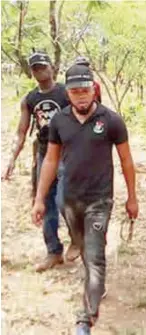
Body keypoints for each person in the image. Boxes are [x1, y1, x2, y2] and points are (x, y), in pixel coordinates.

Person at [31, 64, 138, 334]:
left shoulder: (111, 120)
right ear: (67, 93)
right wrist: (40, 199)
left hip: (100, 199)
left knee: (94, 254)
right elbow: (51, 161)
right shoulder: (59, 122)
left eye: (85, 90)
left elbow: (126, 161)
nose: (81, 96)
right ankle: (94, 281)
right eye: (75, 91)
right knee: (81, 244)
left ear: (94, 90)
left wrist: (132, 197)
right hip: (69, 199)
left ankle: (86, 317)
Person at [2, 51, 72, 272]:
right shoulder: (30, 99)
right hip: (44, 153)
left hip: (68, 152)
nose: (39, 70)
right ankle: (53, 251)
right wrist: (12, 159)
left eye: (42, 66)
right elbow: (22, 132)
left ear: (52, 67)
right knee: (44, 202)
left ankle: (80, 240)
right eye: (34, 68)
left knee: (65, 200)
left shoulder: (66, 93)